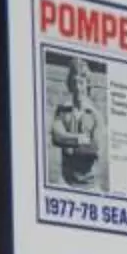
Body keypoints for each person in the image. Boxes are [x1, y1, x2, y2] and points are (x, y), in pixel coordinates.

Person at [48, 60, 102, 189]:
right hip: (66, 181)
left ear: (87, 85)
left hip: (90, 185)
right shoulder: (62, 111)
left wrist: (68, 144)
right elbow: (56, 137)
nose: (78, 87)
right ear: (70, 85)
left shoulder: (96, 115)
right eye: (74, 82)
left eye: (81, 83)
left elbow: (95, 147)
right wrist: (79, 139)